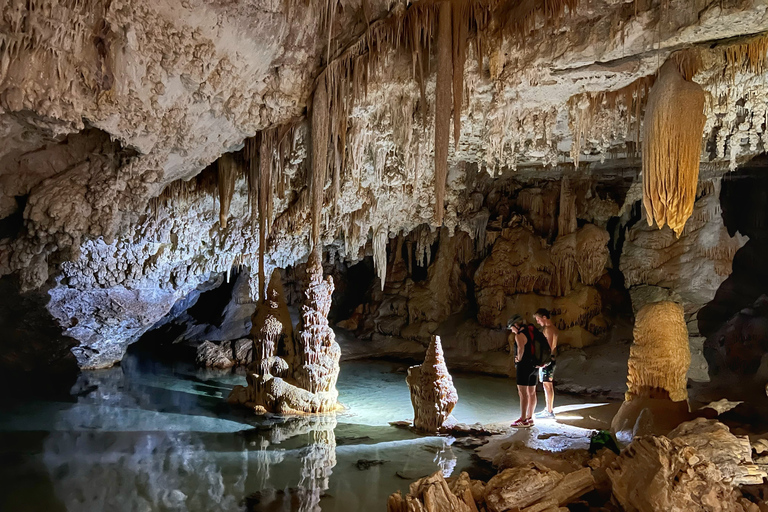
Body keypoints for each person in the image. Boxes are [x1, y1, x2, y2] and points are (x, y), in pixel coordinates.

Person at [507, 315, 537, 428]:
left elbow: (521, 349)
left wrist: (518, 359)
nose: (511, 330)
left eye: (511, 327)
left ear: (516, 325)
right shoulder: (531, 332)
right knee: (532, 392)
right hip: (534, 365)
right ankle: (530, 417)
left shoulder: (519, 335)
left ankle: (523, 419)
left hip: (524, 366)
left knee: (522, 393)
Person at [534, 308, 558, 419]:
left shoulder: (548, 329)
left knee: (547, 385)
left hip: (547, 360)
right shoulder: (554, 328)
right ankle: (549, 409)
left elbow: (547, 347)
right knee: (548, 385)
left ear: (544, 317)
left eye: (538, 319)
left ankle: (549, 411)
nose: (538, 322)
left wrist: (542, 362)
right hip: (552, 359)